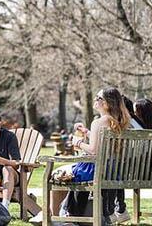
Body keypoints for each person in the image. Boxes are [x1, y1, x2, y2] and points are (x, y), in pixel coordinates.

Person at [31, 87, 131, 225]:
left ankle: (56, 217)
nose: (95, 99)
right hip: (112, 171)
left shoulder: (98, 122)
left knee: (56, 174)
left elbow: (94, 151)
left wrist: (77, 142)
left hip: (94, 172)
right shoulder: (120, 122)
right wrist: (87, 132)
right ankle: (59, 216)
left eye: (99, 98)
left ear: (107, 103)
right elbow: (104, 145)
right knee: (66, 172)